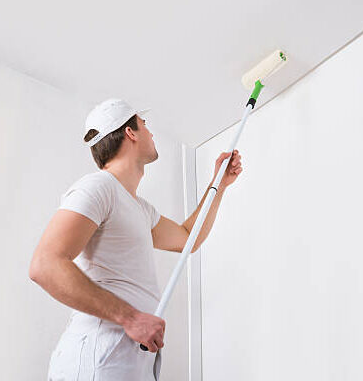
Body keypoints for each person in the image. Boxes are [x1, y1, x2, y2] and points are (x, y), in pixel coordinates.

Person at [28, 98, 243, 380]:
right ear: (130, 132)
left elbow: (188, 238)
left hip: (129, 361)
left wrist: (219, 184)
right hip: (98, 358)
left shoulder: (139, 208)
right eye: (144, 125)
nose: (151, 133)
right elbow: (45, 265)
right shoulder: (98, 187)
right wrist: (130, 317)